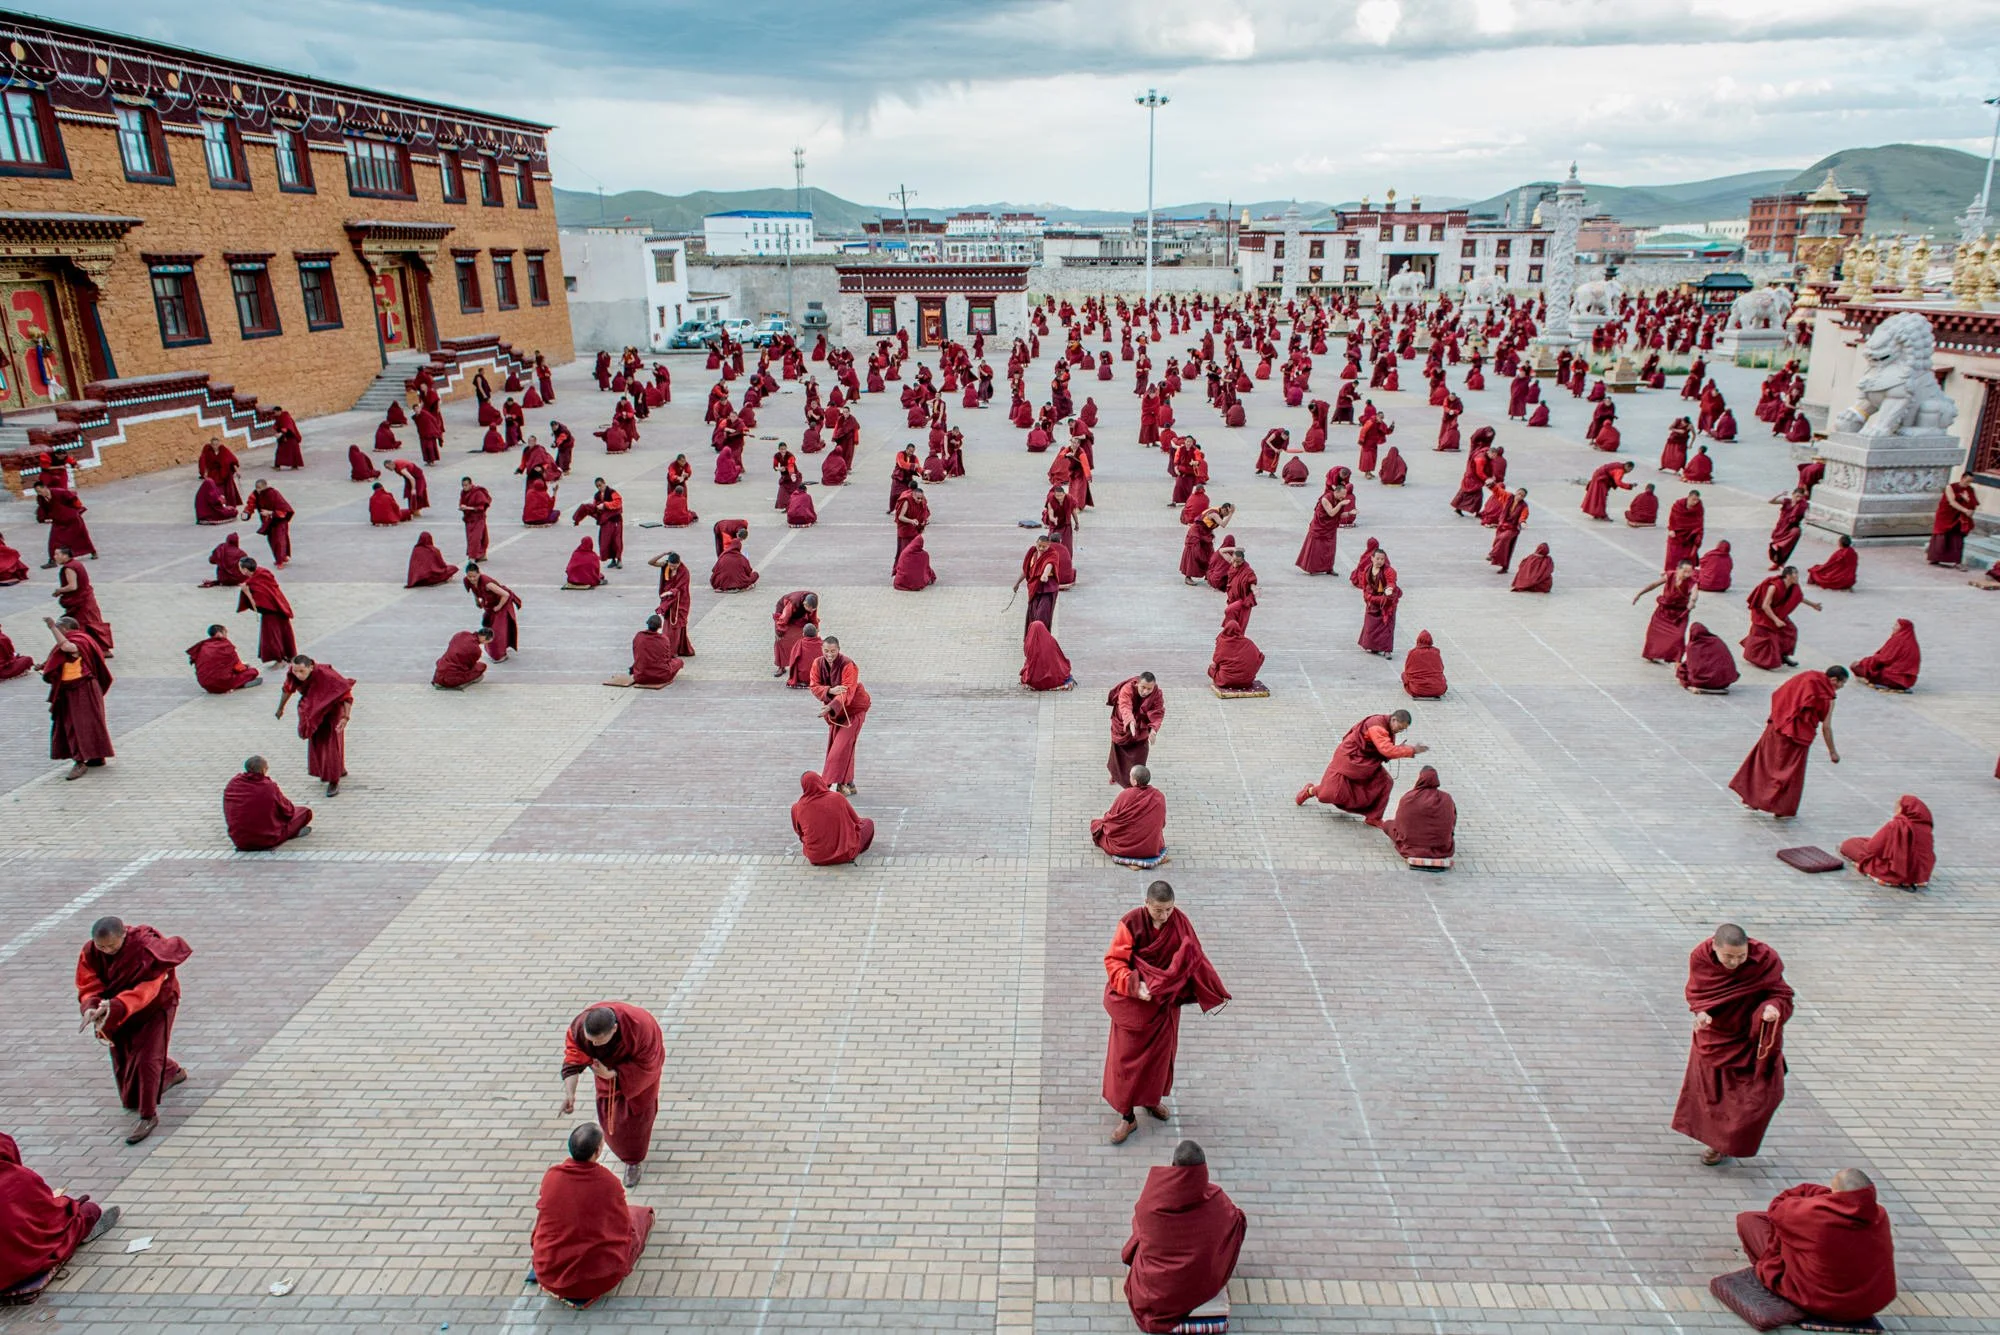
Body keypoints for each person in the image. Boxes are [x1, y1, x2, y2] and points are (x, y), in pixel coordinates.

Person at [1101, 882, 1230, 1144]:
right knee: (1125, 1062)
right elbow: (1114, 962)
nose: (1164, 916)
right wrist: (1135, 986)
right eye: (1158, 910)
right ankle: (1127, 1116)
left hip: (1164, 1006)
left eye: (1169, 909)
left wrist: (1185, 982)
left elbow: (1192, 956)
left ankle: (1151, 1100)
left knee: (1159, 1061)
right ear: (1147, 904)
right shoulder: (1131, 923)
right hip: (1134, 1005)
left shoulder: (1180, 922)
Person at [1674, 924, 1793, 1165]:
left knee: (1763, 1095)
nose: (1734, 962)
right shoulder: (1701, 956)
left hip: (1752, 1036)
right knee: (1713, 1093)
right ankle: (1716, 1143)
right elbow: (1699, 992)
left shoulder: (1765, 957)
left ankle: (1731, 1139)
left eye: (1741, 956)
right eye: (1728, 956)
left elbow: (1780, 992)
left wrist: (1772, 1008)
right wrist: (1702, 1013)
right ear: (1714, 947)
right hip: (1716, 1035)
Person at [75, 916, 192, 1144]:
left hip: (156, 1004)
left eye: (112, 945)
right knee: (127, 1057)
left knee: (148, 1058)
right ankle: (173, 1071)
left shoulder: (146, 946)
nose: (107, 951)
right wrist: (91, 1006)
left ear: (124, 935)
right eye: (102, 946)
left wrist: (117, 1005)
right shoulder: (90, 952)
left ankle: (148, 1116)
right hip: (117, 1010)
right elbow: (88, 984)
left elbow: (149, 987)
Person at [1735, 1169, 1897, 1326]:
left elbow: (1777, 1207)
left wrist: (1810, 1192)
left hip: (1821, 1302)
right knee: (1790, 1231)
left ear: (1836, 1194)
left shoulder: (1813, 1215)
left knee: (1749, 1221)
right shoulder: (1880, 1214)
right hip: (1870, 1303)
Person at [1121, 1139, 1247, 1334]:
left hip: (1159, 1293)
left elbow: (1140, 1232)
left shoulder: (1152, 1203)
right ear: (1203, 1170)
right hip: (1205, 1284)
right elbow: (1238, 1221)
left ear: (1173, 1167)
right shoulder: (1218, 1199)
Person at [529, 1123, 656, 1308]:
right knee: (639, 1217)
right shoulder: (608, 1183)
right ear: (598, 1151)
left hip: (548, 1271)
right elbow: (621, 1224)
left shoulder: (552, 1176)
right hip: (595, 1279)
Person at [559, 1003, 665, 1187]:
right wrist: (570, 1094)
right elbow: (573, 1060)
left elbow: (649, 1064)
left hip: (637, 1077)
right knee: (611, 1119)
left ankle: (633, 1160)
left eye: (599, 1042)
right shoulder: (578, 1028)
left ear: (614, 1029)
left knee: (638, 1118)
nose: (593, 1045)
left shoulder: (641, 1027)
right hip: (605, 1075)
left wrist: (613, 1074)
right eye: (590, 1040)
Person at [0, 1133, 121, 1292]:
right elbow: (51, 1218)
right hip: (20, 1267)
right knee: (88, 1211)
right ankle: (81, 1233)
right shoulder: (19, 1178)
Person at [1728, 666, 1845, 818]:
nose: (1841, 687)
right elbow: (1827, 727)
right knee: (1789, 772)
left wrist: (1779, 716)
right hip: (1798, 737)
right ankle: (1781, 808)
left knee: (1764, 765)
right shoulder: (1828, 698)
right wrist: (1832, 751)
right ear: (1834, 680)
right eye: (1842, 684)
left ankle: (1753, 800)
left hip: (1777, 728)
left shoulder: (1806, 677)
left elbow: (1779, 694)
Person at [1296, 709, 1425, 825]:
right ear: (1394, 719)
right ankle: (1310, 791)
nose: (1399, 731)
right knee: (1330, 793)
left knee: (1386, 782)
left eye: (1402, 730)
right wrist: (1411, 750)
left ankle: (1374, 817)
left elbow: (1385, 749)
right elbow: (1387, 750)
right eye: (1399, 728)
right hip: (1349, 758)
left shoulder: (1388, 726)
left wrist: (1400, 749)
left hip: (1367, 762)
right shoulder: (1377, 726)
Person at [41, 615, 113, 780]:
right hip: (70, 689)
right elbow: (62, 659)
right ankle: (96, 756)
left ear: (65, 629)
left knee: (78, 725)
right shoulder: (81, 639)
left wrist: (52, 627)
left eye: (59, 630)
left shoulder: (80, 640)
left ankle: (80, 761)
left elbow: (67, 647)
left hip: (82, 688)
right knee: (79, 723)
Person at [276, 655, 354, 796]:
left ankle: (333, 780)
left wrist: (345, 717)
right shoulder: (293, 673)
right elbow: (287, 688)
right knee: (317, 740)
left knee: (330, 742)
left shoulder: (327, 675)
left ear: (311, 667)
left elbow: (346, 694)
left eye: (302, 672)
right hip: (313, 708)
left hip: (332, 709)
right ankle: (339, 768)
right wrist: (280, 708)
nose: (298, 675)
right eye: (295, 671)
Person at [808, 637, 870, 795]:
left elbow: (847, 692)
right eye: (826, 651)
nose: (829, 654)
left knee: (839, 749)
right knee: (841, 747)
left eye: (833, 651)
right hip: (836, 713)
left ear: (839, 649)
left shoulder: (848, 664)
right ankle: (848, 783)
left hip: (854, 709)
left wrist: (830, 706)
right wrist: (829, 690)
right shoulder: (817, 663)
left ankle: (825, 786)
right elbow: (814, 686)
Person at [1840, 796, 1934, 889]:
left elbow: (1872, 848)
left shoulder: (1895, 825)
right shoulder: (1926, 827)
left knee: (1850, 845)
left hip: (1894, 872)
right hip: (1921, 874)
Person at [222, 755, 312, 851]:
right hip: (266, 840)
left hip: (239, 840)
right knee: (304, 812)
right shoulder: (268, 787)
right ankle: (292, 833)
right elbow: (288, 812)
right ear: (264, 770)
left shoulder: (234, 783)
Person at [1092, 764, 1170, 868]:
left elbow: (1111, 820)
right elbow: (1162, 823)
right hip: (1152, 847)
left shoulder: (1125, 795)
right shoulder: (1159, 796)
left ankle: (1130, 857)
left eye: (1130, 777)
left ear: (1135, 781)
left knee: (1096, 825)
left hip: (1125, 848)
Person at [791, 771, 875, 865]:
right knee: (868, 823)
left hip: (815, 857)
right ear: (820, 781)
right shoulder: (837, 798)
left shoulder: (797, 808)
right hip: (844, 854)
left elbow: (800, 833)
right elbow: (856, 821)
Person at [1741, 567, 1817, 671]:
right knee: (1769, 638)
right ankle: (1759, 659)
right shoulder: (1774, 587)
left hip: (1778, 614)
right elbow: (1765, 606)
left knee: (1790, 630)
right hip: (1764, 615)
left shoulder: (1793, 587)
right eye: (1795, 574)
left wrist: (1813, 605)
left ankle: (1783, 655)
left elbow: (1798, 597)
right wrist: (1776, 620)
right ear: (1788, 576)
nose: (1797, 577)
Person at [1381, 765, 1455, 869]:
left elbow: (1400, 824)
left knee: (1387, 824)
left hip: (1412, 848)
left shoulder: (1409, 797)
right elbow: (1452, 822)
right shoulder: (1446, 798)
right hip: (1441, 849)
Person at [1107, 673, 1165, 787]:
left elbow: (1158, 711)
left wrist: (1153, 729)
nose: (1145, 692)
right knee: (1118, 754)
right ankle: (1116, 775)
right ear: (1138, 683)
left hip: (1141, 727)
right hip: (1123, 725)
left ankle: (1138, 780)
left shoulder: (1157, 693)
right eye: (1143, 687)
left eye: (1149, 689)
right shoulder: (1127, 688)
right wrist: (1130, 721)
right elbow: (1124, 705)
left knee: (1141, 754)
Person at [1634, 561, 1699, 664]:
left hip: (1679, 614)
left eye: (1689, 572)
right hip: (1663, 611)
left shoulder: (1692, 582)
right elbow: (1654, 584)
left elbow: (1695, 593)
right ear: (1678, 569)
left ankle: (1677, 659)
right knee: (1654, 633)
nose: (1687, 574)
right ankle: (1652, 654)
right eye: (1684, 571)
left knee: (1679, 636)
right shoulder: (1670, 576)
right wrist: (1640, 594)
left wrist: (1692, 602)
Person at [236, 557, 296, 664]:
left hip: (270, 613)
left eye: (240, 567)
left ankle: (279, 659)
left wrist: (247, 592)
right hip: (281, 606)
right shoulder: (263, 572)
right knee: (284, 633)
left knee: (273, 637)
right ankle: (289, 655)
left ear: (245, 570)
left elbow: (257, 606)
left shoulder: (253, 584)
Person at [1851, 618, 1920, 692]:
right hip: (1908, 681)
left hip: (1891, 679)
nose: (1893, 627)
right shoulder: (1913, 643)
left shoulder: (1898, 640)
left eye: (1896, 625)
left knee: (1855, 667)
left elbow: (1884, 659)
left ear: (1902, 628)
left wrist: (1863, 663)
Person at [186, 624, 261, 693]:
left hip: (205, 684)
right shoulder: (225, 644)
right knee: (253, 672)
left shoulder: (203, 645)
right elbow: (238, 667)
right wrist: (247, 667)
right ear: (220, 633)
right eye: (225, 632)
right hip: (222, 683)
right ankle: (238, 685)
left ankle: (236, 684)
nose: (226, 635)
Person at [1925, 475, 1979, 567]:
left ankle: (1957, 561)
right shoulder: (1950, 487)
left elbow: (1973, 503)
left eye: (1970, 482)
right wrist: (1965, 510)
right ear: (1962, 478)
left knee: (1957, 538)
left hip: (1959, 517)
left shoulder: (1970, 490)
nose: (1968, 484)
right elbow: (1952, 502)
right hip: (1946, 515)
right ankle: (1935, 558)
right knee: (1941, 536)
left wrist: (1968, 500)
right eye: (1967, 481)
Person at [1014, 533, 1064, 631]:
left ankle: (1042, 639)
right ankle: (1032, 639)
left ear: (1049, 545)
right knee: (1032, 616)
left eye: (1044, 547)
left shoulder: (1052, 554)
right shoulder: (1032, 553)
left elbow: (1049, 564)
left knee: (1042, 617)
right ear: (1036, 543)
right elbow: (1026, 570)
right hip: (1035, 589)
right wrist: (1017, 583)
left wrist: (1045, 575)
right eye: (1039, 546)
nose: (1041, 548)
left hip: (1047, 590)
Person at [1206, 610, 1263, 694]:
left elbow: (1216, 660)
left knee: (1211, 668)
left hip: (1226, 681)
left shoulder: (1223, 643)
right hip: (1246, 682)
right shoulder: (1248, 642)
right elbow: (1260, 656)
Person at [1358, 548, 1401, 657]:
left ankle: (1387, 650)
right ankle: (1374, 647)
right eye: (1377, 558)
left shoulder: (1388, 570)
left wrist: (1389, 589)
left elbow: (1391, 582)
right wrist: (1367, 596)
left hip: (1385, 601)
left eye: (1382, 559)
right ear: (1372, 558)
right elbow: (1364, 585)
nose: (1380, 561)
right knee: (1371, 625)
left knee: (1387, 627)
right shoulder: (1368, 570)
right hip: (1372, 600)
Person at [1677, 623, 1740, 694]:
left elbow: (1692, 667)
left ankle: (1697, 685)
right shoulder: (1717, 640)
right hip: (1723, 682)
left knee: (1681, 670)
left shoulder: (1692, 646)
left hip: (1703, 683)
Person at [243, 479, 294, 565]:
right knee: (272, 541)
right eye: (257, 488)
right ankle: (281, 557)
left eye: (261, 489)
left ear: (265, 487)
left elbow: (284, 509)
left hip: (279, 520)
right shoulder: (255, 494)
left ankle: (280, 561)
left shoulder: (274, 493)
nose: (259, 491)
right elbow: (250, 504)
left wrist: (271, 513)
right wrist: (247, 513)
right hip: (268, 522)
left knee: (280, 540)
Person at [1021, 620, 1076, 691]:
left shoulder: (1029, 644)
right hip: (1053, 679)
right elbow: (1059, 657)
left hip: (1034, 680)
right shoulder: (1051, 641)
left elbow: (1028, 658)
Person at [1401, 629, 1447, 698]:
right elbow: (1441, 668)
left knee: (1404, 674)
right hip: (1438, 690)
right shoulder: (1436, 652)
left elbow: (1408, 670)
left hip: (1417, 690)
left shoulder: (1413, 652)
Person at [1665, 491, 1705, 570]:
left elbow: (1699, 523)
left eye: (1697, 500)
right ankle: (1671, 573)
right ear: (1688, 497)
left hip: (1690, 536)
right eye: (1693, 499)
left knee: (1689, 557)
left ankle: (1688, 573)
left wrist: (1698, 535)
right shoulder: (1678, 505)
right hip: (1677, 535)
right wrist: (1671, 529)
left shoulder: (1699, 508)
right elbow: (1672, 518)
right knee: (1673, 557)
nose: (1695, 502)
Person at [459, 478, 493, 561]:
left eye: (466, 485)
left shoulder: (478, 492)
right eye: (463, 485)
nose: (464, 487)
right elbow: (462, 502)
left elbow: (481, 507)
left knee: (476, 538)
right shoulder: (463, 493)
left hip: (478, 519)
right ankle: (480, 555)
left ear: (471, 484)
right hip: (469, 519)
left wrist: (467, 508)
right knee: (471, 539)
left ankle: (472, 557)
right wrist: (462, 507)